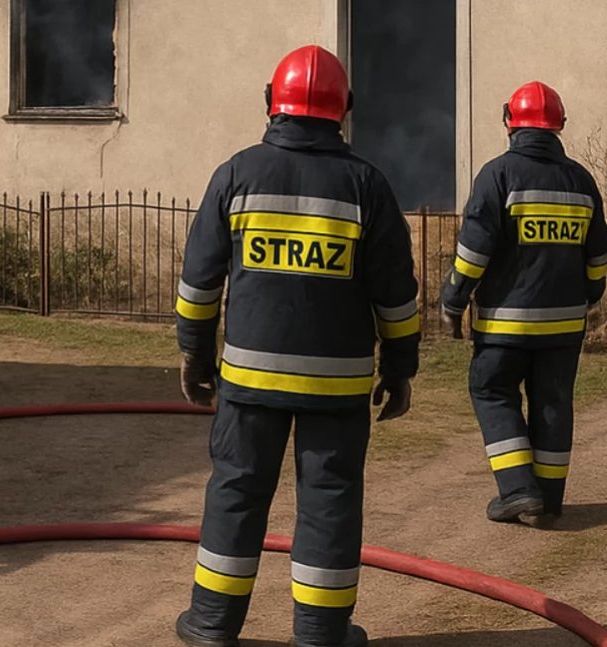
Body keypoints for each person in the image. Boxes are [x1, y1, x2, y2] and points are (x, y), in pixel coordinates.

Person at [172, 44, 422, 647]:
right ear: (345, 109)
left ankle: (211, 624)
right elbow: (396, 295)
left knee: (235, 492)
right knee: (330, 503)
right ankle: (320, 633)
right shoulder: (368, 187)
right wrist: (401, 366)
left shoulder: (235, 174)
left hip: (250, 381)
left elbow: (199, 282)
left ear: (269, 103)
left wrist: (195, 355)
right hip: (336, 386)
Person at [440, 80, 607, 530]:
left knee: (492, 392)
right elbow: (598, 255)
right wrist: (592, 294)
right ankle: (549, 502)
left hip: (504, 327)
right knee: (553, 402)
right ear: (559, 126)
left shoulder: (497, 175)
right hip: (563, 327)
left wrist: (452, 302)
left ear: (509, 122)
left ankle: (518, 490)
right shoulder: (580, 180)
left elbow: (474, 251)